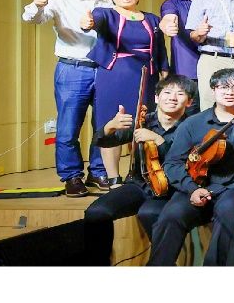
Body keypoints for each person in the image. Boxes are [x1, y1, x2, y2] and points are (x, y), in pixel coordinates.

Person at [147, 68, 234, 266]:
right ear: (213, 90)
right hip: (202, 184)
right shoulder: (194, 123)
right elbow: (173, 163)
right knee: (172, 215)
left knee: (227, 211)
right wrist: (192, 189)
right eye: (223, 87)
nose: (230, 92)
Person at [22, 0, 114, 195]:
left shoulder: (112, 3)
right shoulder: (60, 1)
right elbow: (33, 19)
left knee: (104, 125)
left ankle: (99, 171)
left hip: (107, 70)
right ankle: (72, 176)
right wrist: (37, 5)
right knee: (68, 127)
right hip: (72, 69)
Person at [83, 75, 197, 263]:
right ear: (156, 98)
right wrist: (110, 127)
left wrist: (158, 140)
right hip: (139, 184)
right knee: (96, 213)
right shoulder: (143, 121)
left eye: (180, 94)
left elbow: (184, 162)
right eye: (167, 92)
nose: (172, 97)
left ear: (189, 102)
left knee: (150, 213)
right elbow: (102, 141)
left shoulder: (193, 126)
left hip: (171, 189)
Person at [81, 0, 169, 185]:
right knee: (112, 123)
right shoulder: (105, 14)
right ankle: (113, 177)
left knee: (143, 122)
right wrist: (87, 23)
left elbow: (160, 49)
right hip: (115, 75)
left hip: (147, 76)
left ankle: (138, 173)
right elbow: (94, 22)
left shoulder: (152, 19)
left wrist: (165, 73)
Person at [160, 0, 210, 85]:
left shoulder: (221, 2)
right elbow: (168, 18)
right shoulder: (173, 3)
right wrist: (167, 26)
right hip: (187, 70)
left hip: (218, 68)